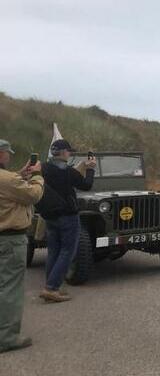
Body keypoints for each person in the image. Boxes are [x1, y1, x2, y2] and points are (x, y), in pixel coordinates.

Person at [0, 139, 43, 353]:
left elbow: (9, 185)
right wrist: (37, 176)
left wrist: (20, 174)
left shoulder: (9, 179)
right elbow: (33, 195)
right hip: (10, 239)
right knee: (10, 289)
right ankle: (7, 338)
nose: (9, 156)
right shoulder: (7, 179)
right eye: (7, 152)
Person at [39, 138, 95, 302]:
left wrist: (82, 165)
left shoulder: (43, 168)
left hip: (49, 216)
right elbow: (86, 185)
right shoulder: (68, 172)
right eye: (69, 151)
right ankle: (51, 288)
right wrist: (91, 169)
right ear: (63, 153)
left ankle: (51, 285)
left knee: (53, 252)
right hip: (68, 216)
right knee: (67, 252)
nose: (69, 154)